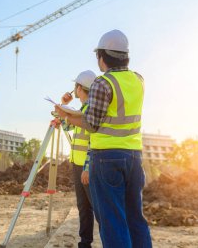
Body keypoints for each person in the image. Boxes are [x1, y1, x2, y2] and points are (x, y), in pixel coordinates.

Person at [55, 30, 152, 248]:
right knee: (135, 219)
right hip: (134, 157)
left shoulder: (103, 83)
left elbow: (92, 123)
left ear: (102, 56)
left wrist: (65, 115)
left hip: (107, 158)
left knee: (113, 222)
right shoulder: (139, 80)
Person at [51, 70, 97, 248]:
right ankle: (85, 244)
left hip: (87, 167)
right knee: (84, 207)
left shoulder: (89, 112)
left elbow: (94, 140)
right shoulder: (80, 111)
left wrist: (87, 167)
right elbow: (65, 124)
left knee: (97, 208)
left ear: (78, 88)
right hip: (78, 165)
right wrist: (63, 104)